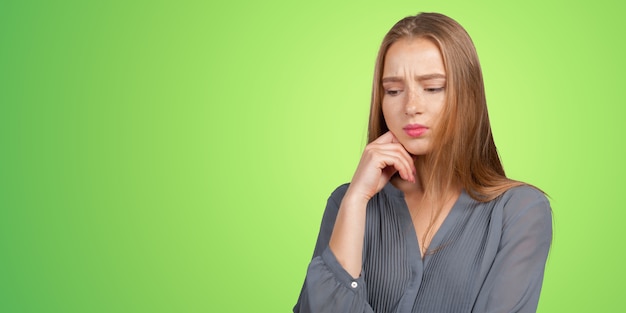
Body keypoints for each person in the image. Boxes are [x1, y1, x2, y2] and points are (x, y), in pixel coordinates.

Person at [293, 12, 552, 313]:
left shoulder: (519, 212)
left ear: (468, 94)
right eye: (393, 90)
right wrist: (355, 201)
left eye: (432, 88)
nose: (411, 106)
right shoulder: (348, 205)